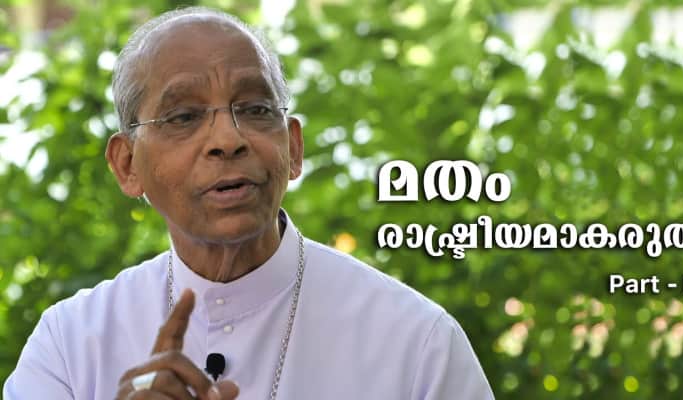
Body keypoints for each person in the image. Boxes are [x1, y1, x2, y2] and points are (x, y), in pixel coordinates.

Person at [3, 6, 494, 400]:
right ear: (128, 164)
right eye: (183, 116)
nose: (227, 140)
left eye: (255, 109)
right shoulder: (70, 344)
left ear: (293, 148)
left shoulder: (416, 342)